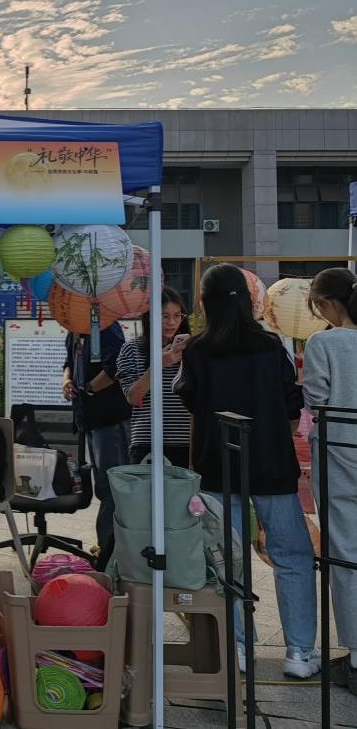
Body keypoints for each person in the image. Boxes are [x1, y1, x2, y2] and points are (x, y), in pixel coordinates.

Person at [174, 263, 319, 679]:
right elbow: (292, 401)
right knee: (292, 557)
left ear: (205, 303)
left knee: (226, 560)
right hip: (272, 464)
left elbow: (187, 397)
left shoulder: (197, 350)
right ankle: (299, 653)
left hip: (216, 466)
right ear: (249, 300)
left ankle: (238, 646)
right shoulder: (271, 345)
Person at [302, 268, 357, 690]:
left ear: (324, 303)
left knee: (346, 555)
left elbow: (316, 401)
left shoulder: (324, 343)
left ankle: (356, 655)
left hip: (339, 459)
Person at [63, 323, 132, 552]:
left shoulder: (106, 326)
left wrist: (88, 387)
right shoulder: (75, 329)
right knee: (103, 485)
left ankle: (110, 551)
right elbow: (68, 363)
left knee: (112, 486)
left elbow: (116, 368)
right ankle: (107, 547)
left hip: (109, 418)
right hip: (89, 418)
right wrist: (67, 381)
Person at [115, 288, 193, 464]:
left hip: (186, 440)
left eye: (177, 316)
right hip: (147, 441)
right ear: (149, 317)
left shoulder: (192, 350)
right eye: (165, 316)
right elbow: (132, 397)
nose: (172, 322)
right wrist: (158, 365)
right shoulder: (132, 349)